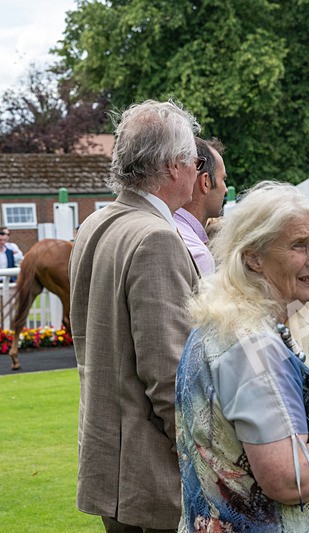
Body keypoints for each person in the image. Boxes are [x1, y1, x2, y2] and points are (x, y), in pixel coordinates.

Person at [175, 181, 309, 531]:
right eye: (299, 245)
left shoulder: (222, 325)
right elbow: (290, 478)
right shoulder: (254, 348)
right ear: (253, 256)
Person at [69, 100, 202, 532]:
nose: (197, 171)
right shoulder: (156, 238)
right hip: (152, 475)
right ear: (172, 166)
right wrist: (204, 459)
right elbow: (169, 375)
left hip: (107, 462)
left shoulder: (95, 224)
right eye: (194, 160)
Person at [174, 137, 227, 276]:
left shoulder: (161, 221)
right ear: (205, 182)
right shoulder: (198, 255)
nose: (226, 189)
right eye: (223, 179)